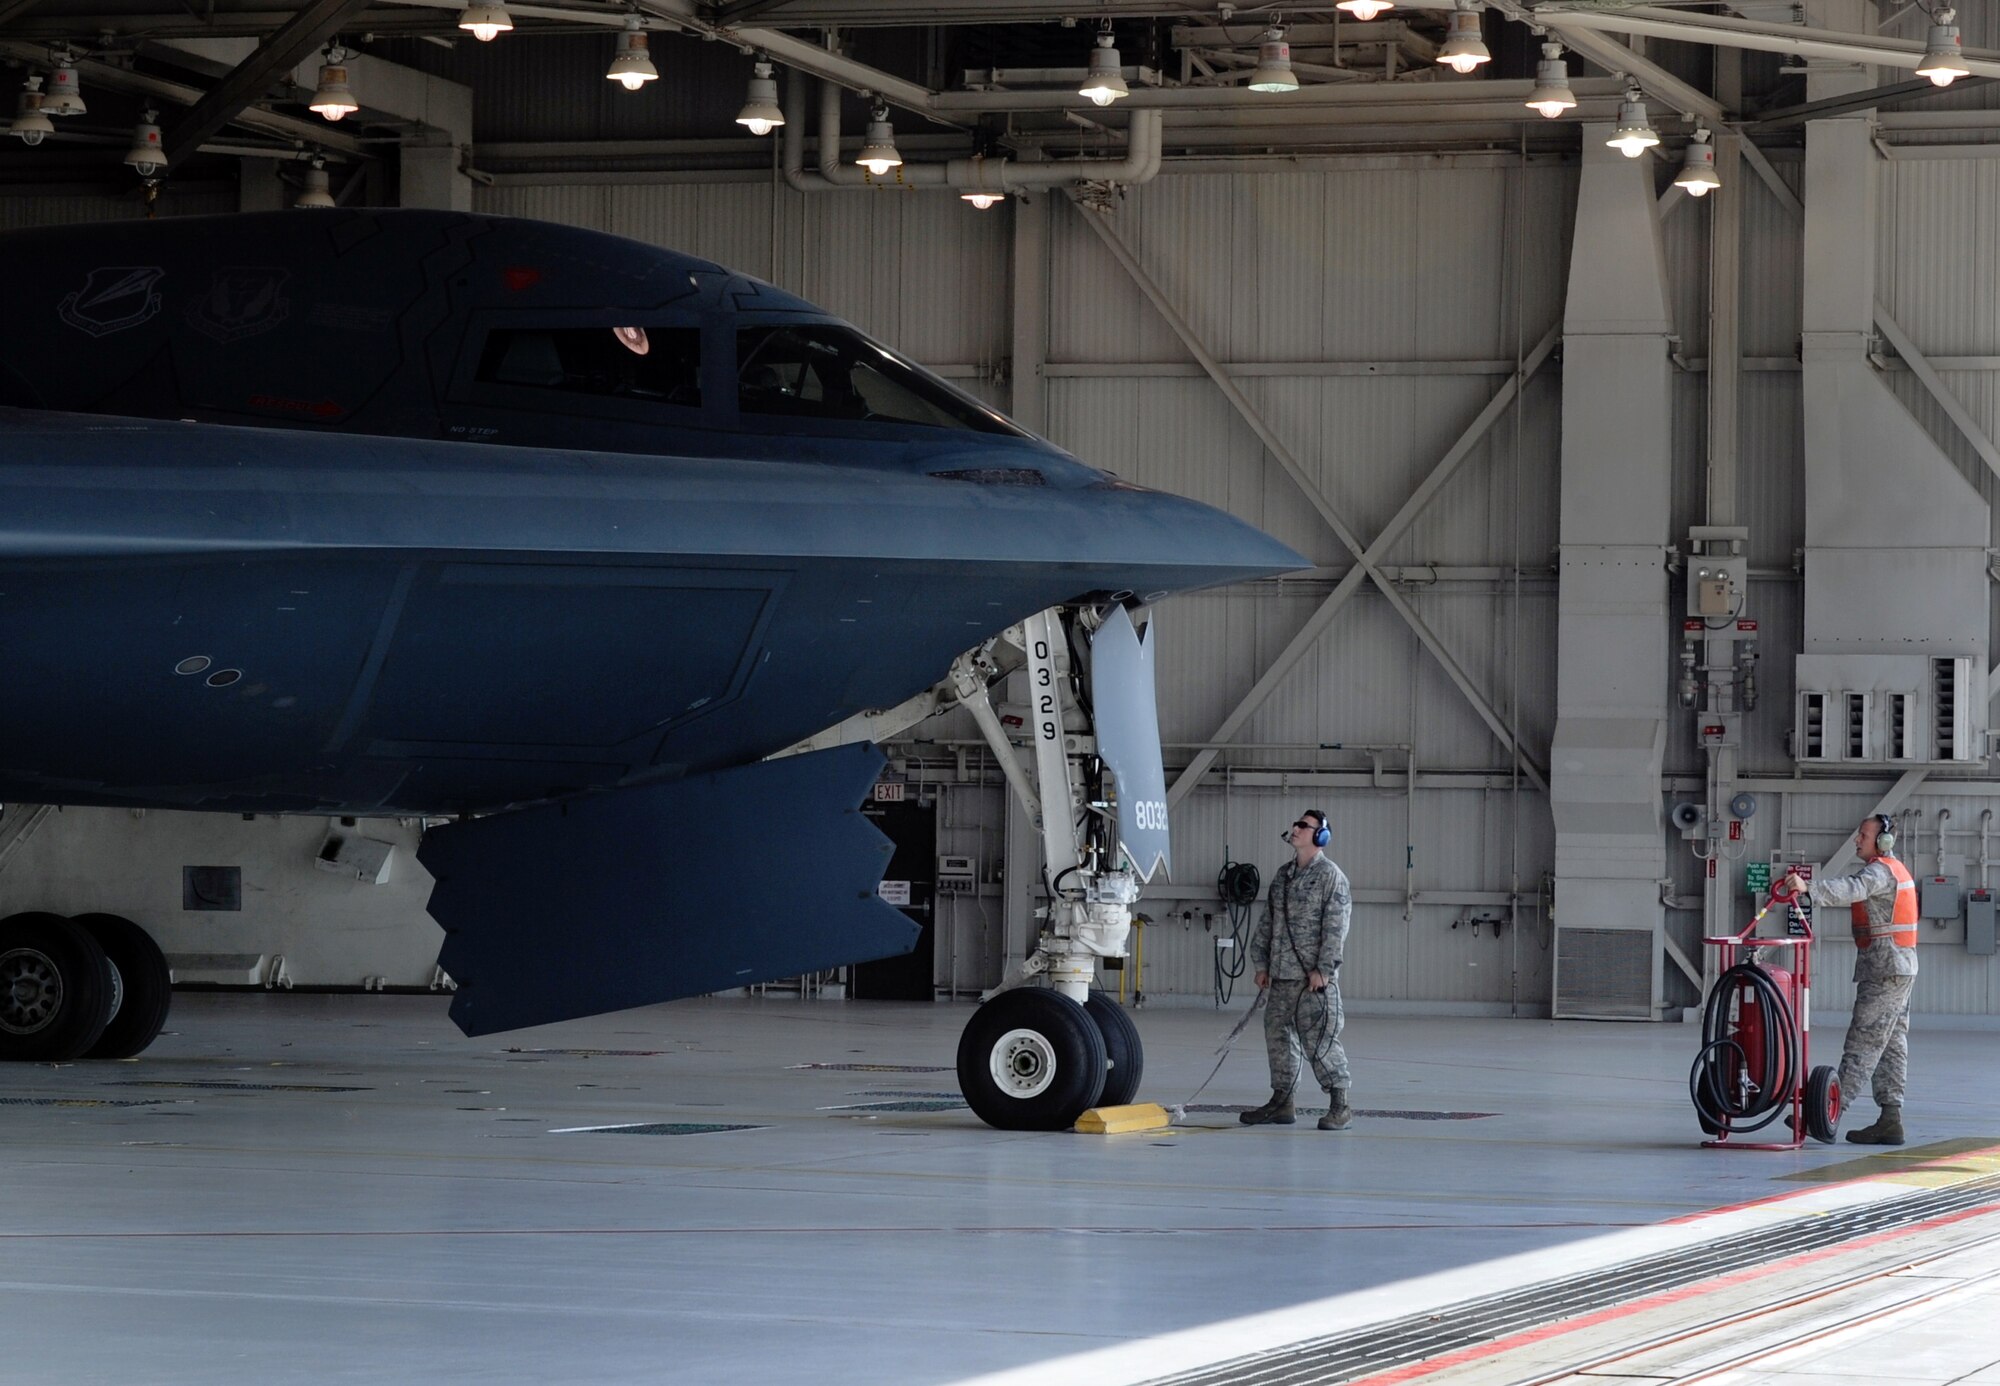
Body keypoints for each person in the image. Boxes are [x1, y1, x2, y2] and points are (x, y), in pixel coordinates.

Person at [1784, 813, 1919, 1146]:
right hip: (1898, 967)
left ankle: (1828, 1114)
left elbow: (1853, 888)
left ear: (1883, 841)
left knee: (1863, 1043)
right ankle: (1890, 1119)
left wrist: (1808, 888)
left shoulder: (1879, 871)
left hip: (1885, 970)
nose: (1857, 840)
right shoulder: (1895, 870)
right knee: (1890, 1044)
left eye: (1863, 835)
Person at [1241, 809, 1354, 1131]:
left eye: (1304, 826)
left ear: (1320, 836)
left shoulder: (1330, 876)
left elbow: (1336, 928)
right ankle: (1282, 1101)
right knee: (1278, 1038)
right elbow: (1268, 922)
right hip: (1281, 976)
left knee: (1320, 1041)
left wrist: (1324, 970)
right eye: (1296, 823)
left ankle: (1340, 1104)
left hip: (1311, 980)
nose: (1295, 828)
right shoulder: (1284, 875)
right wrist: (1261, 963)